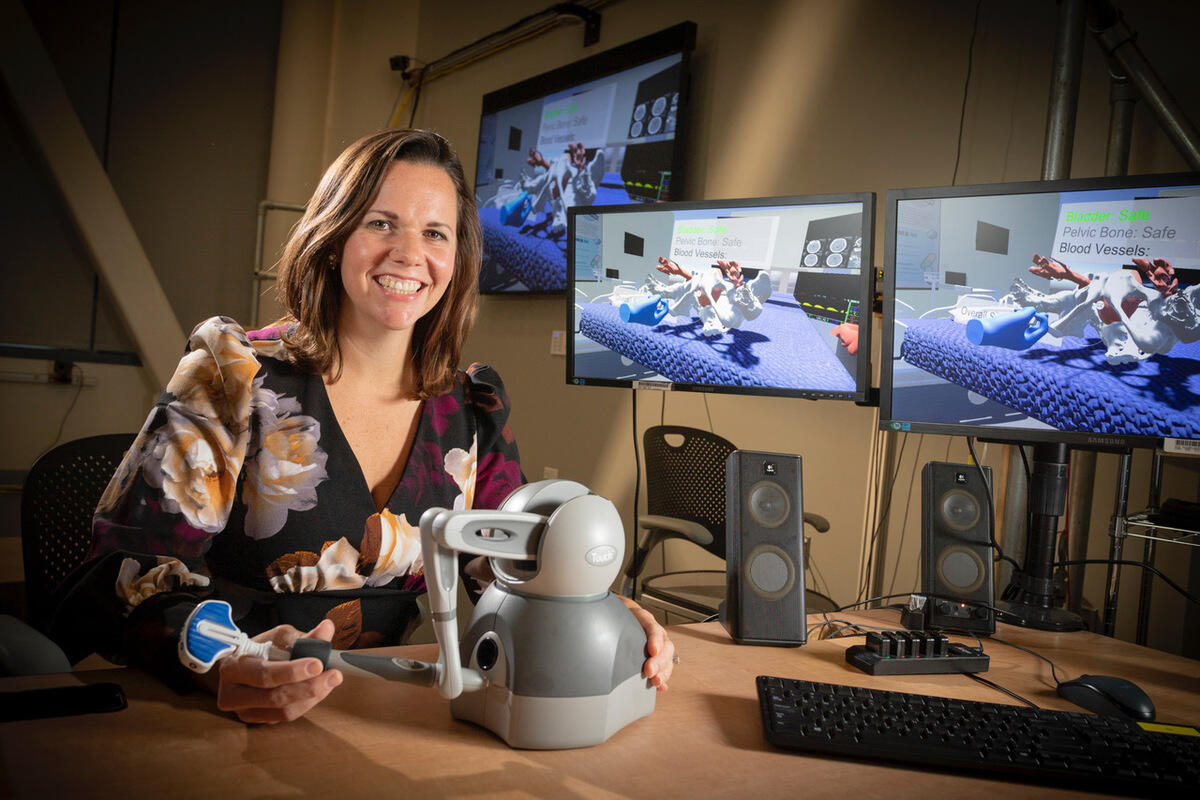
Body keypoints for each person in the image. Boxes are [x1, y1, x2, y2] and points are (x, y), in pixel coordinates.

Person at [52, 128, 675, 724]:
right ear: (334, 235)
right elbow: (126, 572)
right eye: (381, 223)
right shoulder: (232, 373)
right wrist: (223, 663)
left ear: (457, 259)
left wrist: (601, 611)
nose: (409, 255)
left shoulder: (475, 406)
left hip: (387, 711)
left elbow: (506, 572)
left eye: (436, 233)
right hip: (211, 704)